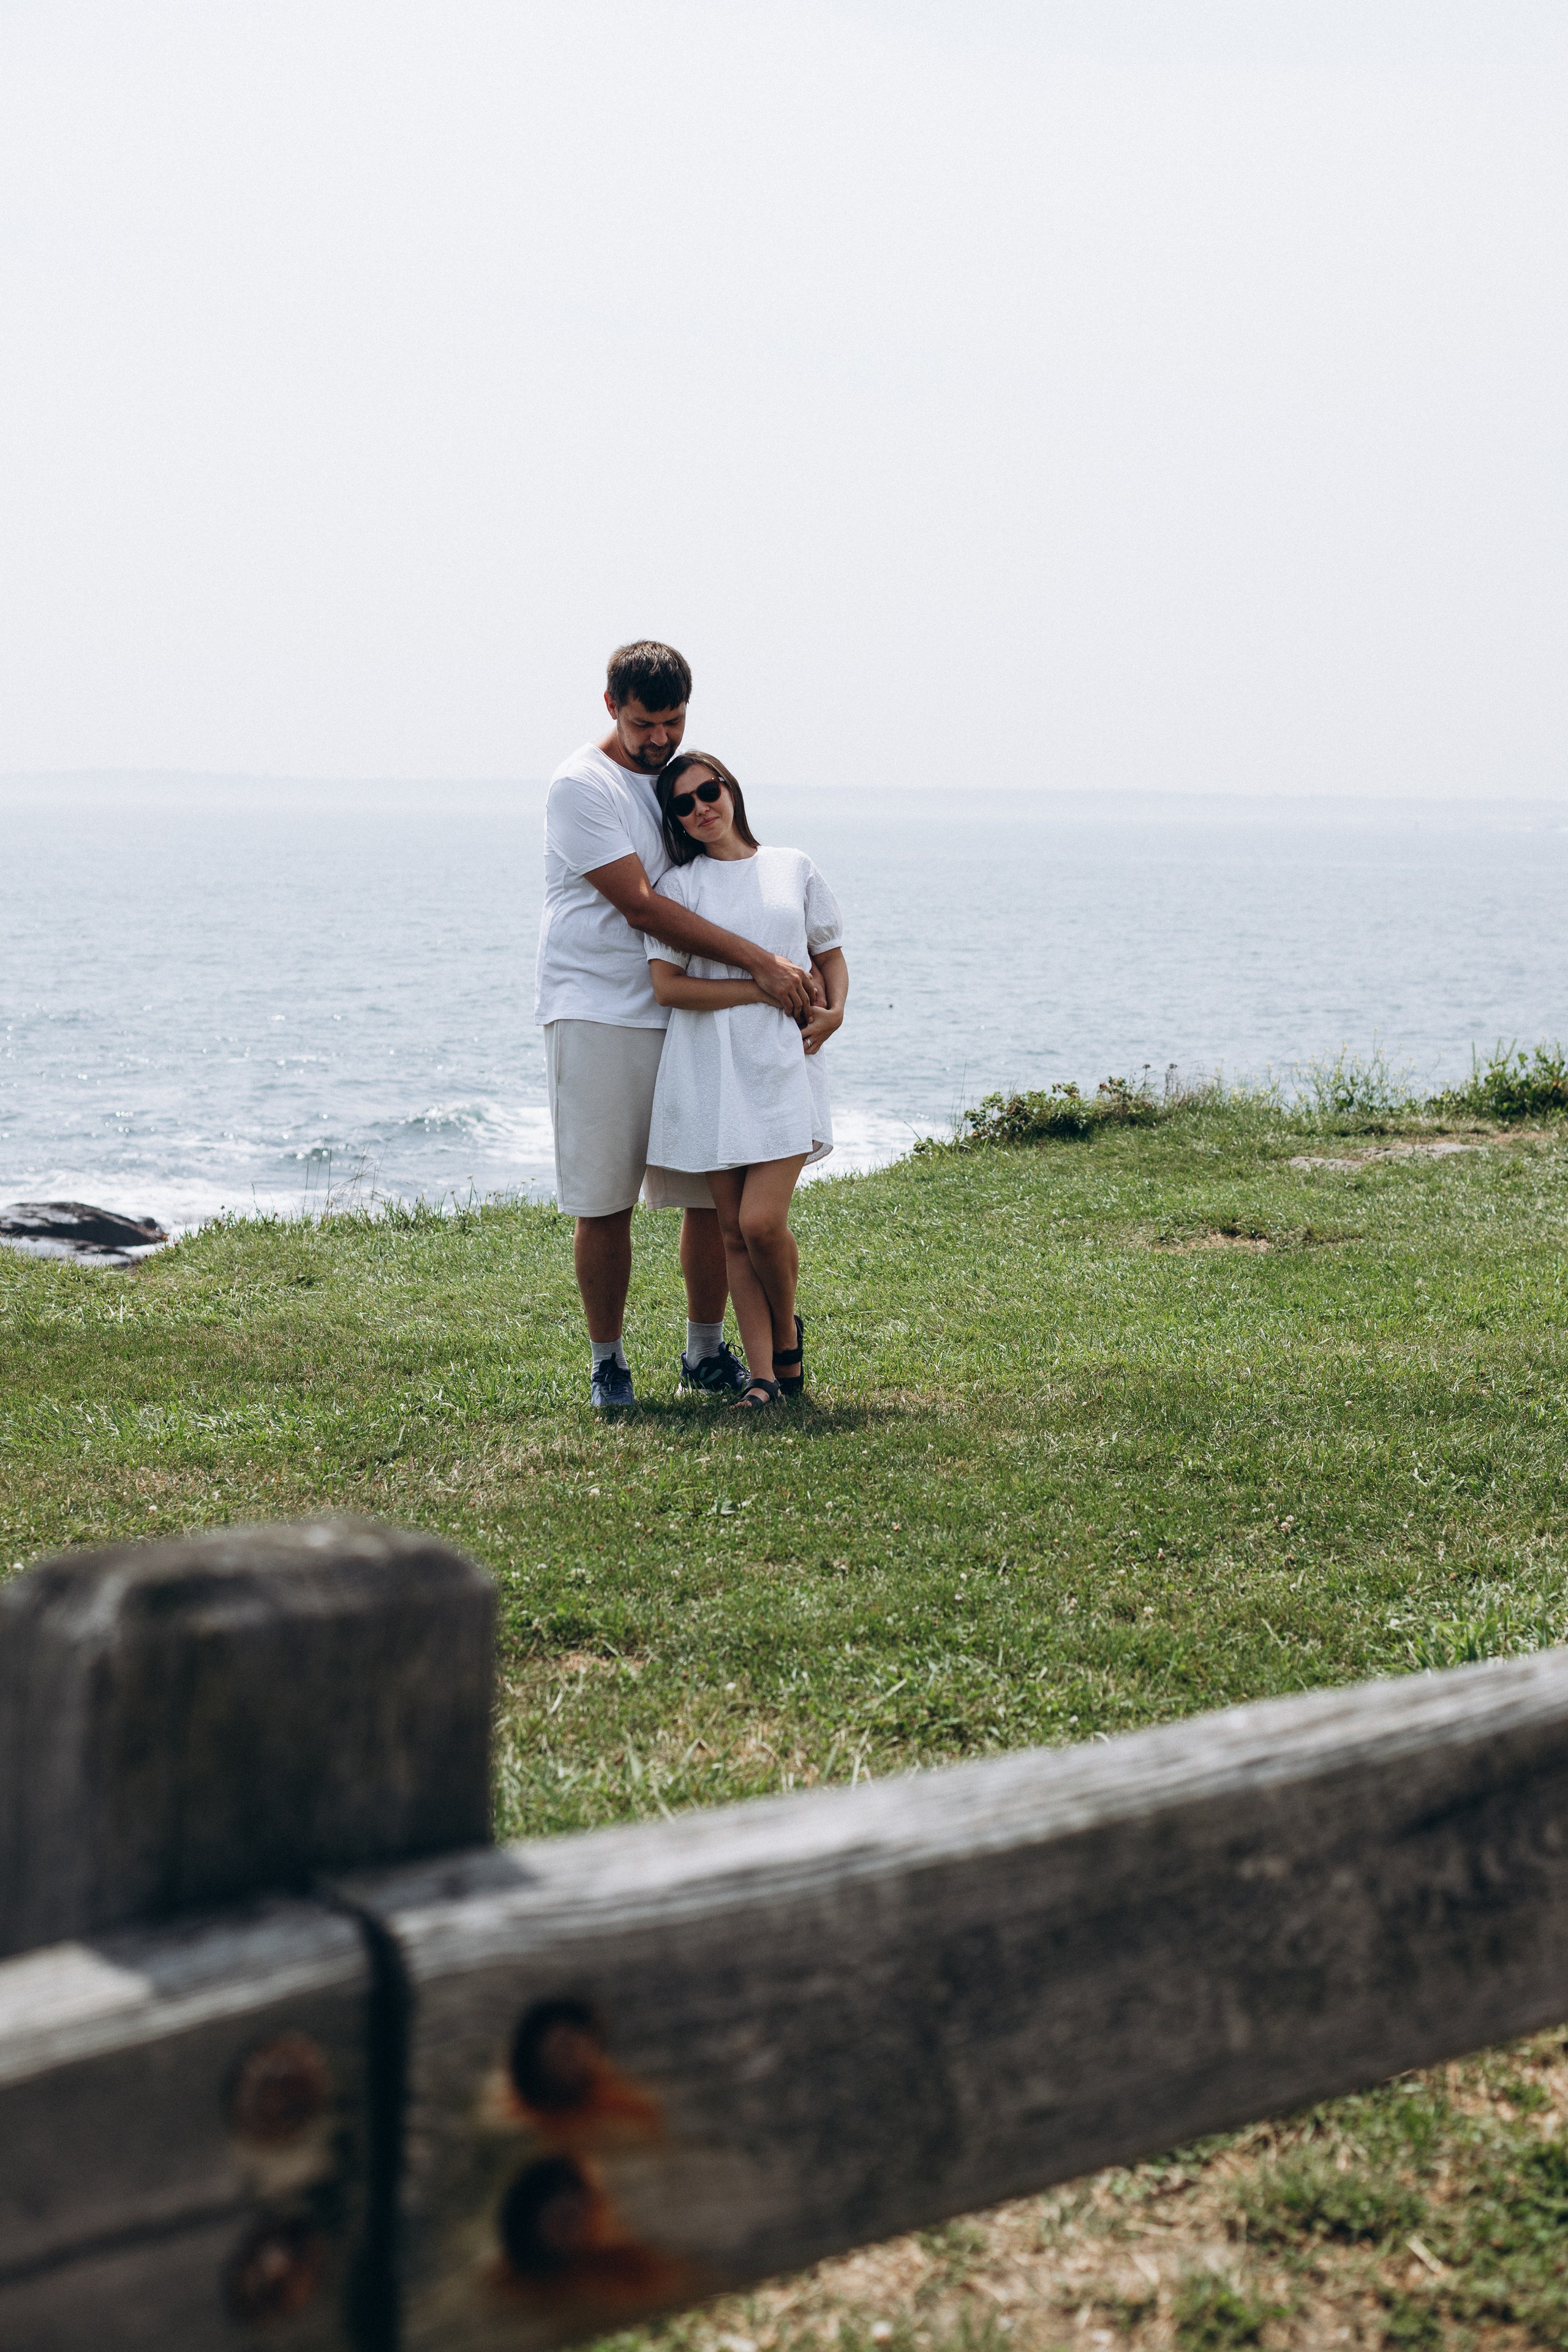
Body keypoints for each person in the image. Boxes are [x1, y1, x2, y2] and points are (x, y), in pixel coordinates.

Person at [535, 642, 821, 1410]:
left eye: (673, 721)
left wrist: (810, 980)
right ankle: (608, 1364)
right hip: (599, 1009)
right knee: (605, 1200)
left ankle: (705, 1351)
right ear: (610, 706)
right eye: (643, 723)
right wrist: (762, 966)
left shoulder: (676, 782)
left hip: (693, 1016)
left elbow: (730, 878)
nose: (660, 738)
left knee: (709, 1198)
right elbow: (640, 905)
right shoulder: (581, 785)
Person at [643, 752, 848, 1409]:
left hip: (785, 1064)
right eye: (682, 804)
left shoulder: (793, 866)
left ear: (730, 790)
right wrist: (759, 987)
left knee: (761, 1223)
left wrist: (837, 1011)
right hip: (710, 1068)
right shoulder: (678, 888)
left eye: (708, 791)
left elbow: (829, 954)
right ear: (675, 820)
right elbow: (669, 988)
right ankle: (765, 1377)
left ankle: (786, 1335)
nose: (700, 808)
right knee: (732, 1231)